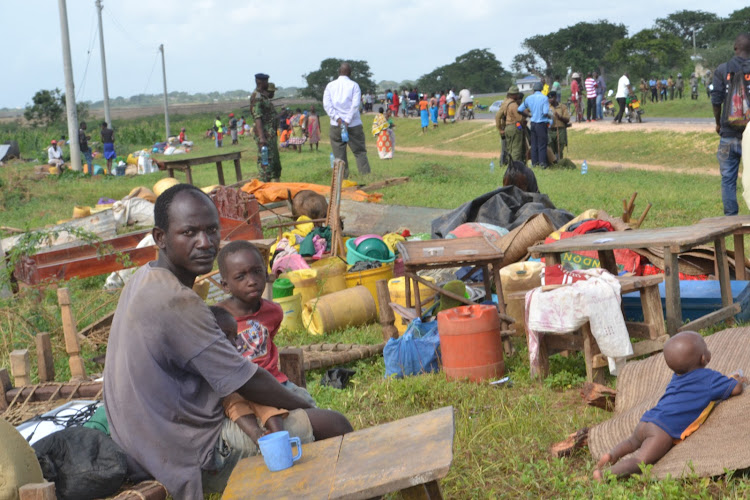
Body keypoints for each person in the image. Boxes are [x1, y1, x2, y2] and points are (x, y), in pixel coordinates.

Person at [103, 184, 352, 499]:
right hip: (184, 451)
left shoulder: (143, 278)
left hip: (143, 440)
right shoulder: (175, 300)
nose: (205, 243)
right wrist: (306, 406)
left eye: (211, 230)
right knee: (333, 424)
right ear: (161, 237)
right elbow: (248, 381)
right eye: (189, 233)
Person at [594, 331, 744, 480]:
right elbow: (735, 388)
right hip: (662, 431)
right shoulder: (709, 378)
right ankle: (605, 475)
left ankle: (611, 455)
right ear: (704, 358)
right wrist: (738, 380)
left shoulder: (677, 376)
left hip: (648, 419)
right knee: (640, 461)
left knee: (632, 442)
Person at [216, 240, 317, 406]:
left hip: (274, 383)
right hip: (238, 390)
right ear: (225, 285)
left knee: (306, 401)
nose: (252, 281)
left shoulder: (273, 312)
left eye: (257, 272)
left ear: (265, 273)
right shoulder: (217, 318)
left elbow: (268, 338)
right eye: (240, 277)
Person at [711, 33, 750, 216]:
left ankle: (731, 219)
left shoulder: (722, 69)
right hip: (749, 135)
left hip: (728, 134)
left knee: (728, 179)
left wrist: (718, 124)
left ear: (736, 48)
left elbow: (716, 100)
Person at [323, 62, 371, 178]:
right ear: (350, 73)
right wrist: (347, 120)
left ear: (339, 72)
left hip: (336, 125)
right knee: (359, 152)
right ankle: (365, 177)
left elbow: (327, 105)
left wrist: (338, 119)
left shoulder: (330, 86)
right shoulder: (354, 85)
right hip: (353, 124)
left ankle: (342, 180)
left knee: (339, 155)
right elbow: (355, 105)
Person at [250, 74, 281, 182]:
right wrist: (262, 137)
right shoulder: (257, 97)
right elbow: (257, 117)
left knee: (273, 161)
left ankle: (273, 185)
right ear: (260, 82)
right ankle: (265, 186)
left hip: (269, 134)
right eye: (266, 82)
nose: (267, 84)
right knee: (266, 162)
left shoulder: (262, 96)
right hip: (265, 135)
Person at [519, 82, 550, 168]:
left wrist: (529, 115)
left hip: (533, 124)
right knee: (542, 144)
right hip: (541, 123)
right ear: (541, 89)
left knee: (534, 144)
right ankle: (542, 163)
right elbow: (545, 112)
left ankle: (534, 163)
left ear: (533, 89)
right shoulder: (544, 98)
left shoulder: (529, 98)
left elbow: (520, 109)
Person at [547, 91, 569, 162]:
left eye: (552, 98)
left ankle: (560, 162)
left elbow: (567, 119)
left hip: (560, 130)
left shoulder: (562, 107)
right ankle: (553, 163)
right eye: (549, 98)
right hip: (550, 130)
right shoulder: (547, 107)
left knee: (559, 148)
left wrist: (560, 117)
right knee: (551, 148)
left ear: (555, 98)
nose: (550, 100)